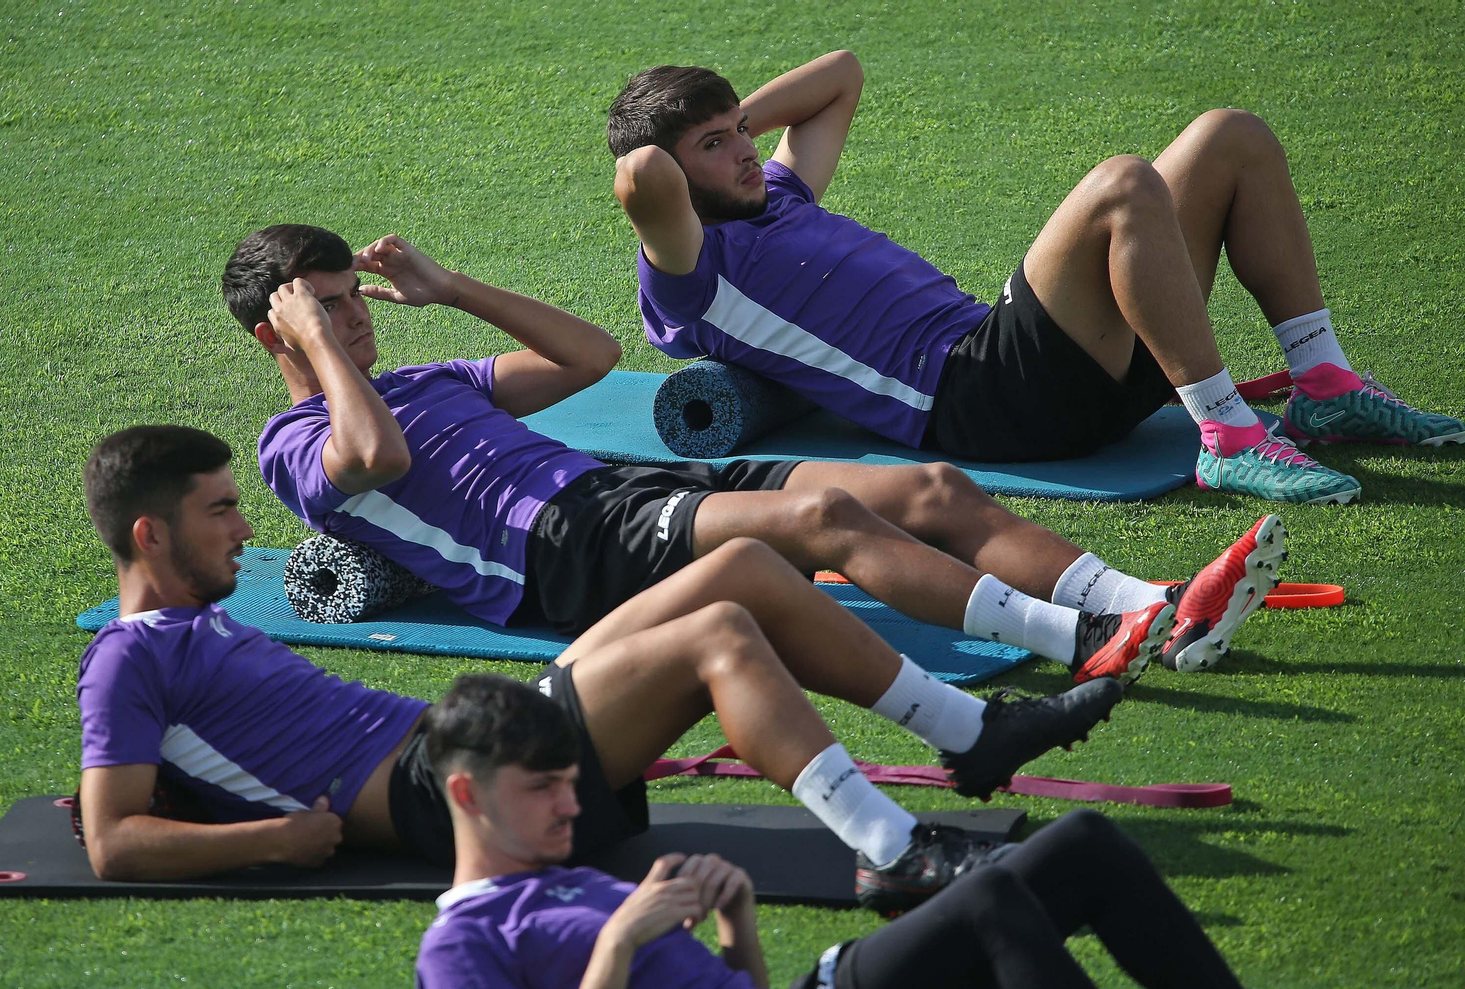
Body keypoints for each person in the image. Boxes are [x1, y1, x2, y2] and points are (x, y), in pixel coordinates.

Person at [75, 424, 1124, 911]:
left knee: (745, 566)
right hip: (444, 791)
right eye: (218, 509)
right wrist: (279, 836)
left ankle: (973, 734)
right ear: (149, 534)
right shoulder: (123, 662)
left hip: (463, 728)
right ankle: (888, 848)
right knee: (717, 637)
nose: (241, 525)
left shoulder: (193, 631)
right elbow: (114, 840)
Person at [222, 223, 1287, 680]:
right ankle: (1087, 638)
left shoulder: (421, 378)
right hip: (563, 556)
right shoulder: (293, 442)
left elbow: (587, 355)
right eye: (326, 309)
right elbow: (364, 454)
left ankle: (1153, 596)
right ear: (276, 331)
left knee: (927, 486)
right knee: (828, 525)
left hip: (620, 494)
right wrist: (318, 351)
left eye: (353, 299)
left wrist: (448, 289)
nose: (355, 318)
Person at [608, 51, 1465, 506]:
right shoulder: (692, 273)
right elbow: (641, 173)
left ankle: (1322, 383)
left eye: (741, 132)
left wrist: (728, 121)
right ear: (678, 181)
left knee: (1227, 136)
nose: (746, 151)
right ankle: (1230, 440)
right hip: (976, 398)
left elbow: (841, 74)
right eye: (714, 147)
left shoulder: (780, 192)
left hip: (1046, 368)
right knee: (1122, 183)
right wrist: (678, 147)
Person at [415, 674, 1247, 988]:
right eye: (544, 789)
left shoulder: (568, 876)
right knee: (990, 894)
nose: (571, 806)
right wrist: (620, 943)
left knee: (1081, 843)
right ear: (468, 793)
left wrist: (736, 918)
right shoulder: (461, 942)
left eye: (571, 784)